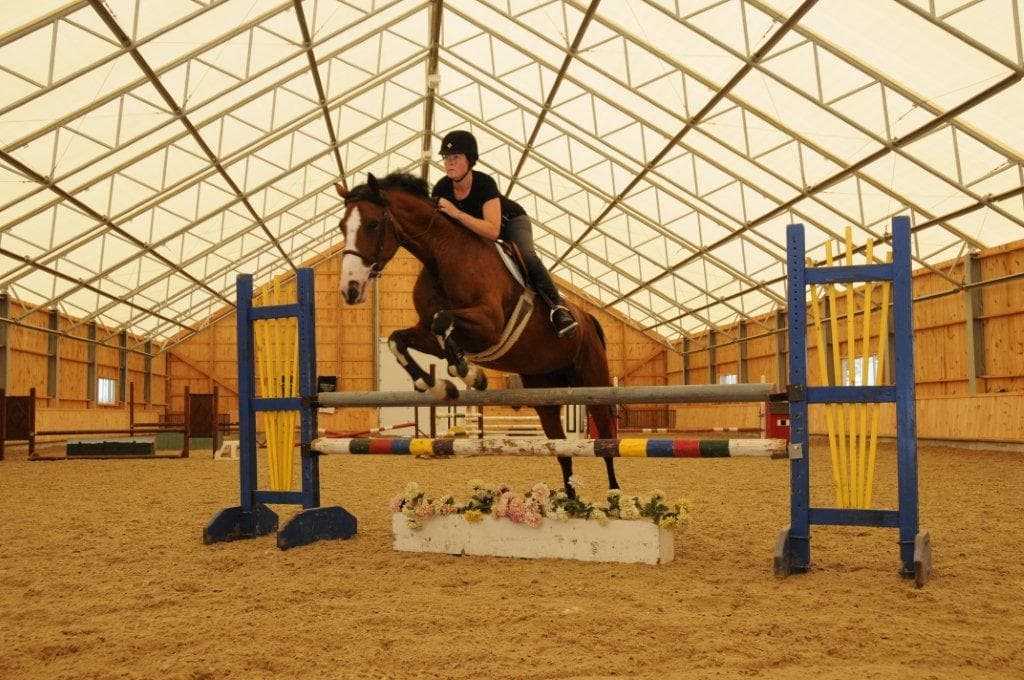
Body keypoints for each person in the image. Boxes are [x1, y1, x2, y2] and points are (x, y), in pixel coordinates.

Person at [431, 130, 578, 338]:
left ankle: (558, 309)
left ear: (470, 160)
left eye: (455, 157)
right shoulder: (441, 188)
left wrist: (457, 213)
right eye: (446, 158)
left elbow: (492, 230)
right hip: (476, 232)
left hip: (512, 223)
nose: (449, 163)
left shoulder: (484, 183)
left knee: (527, 255)